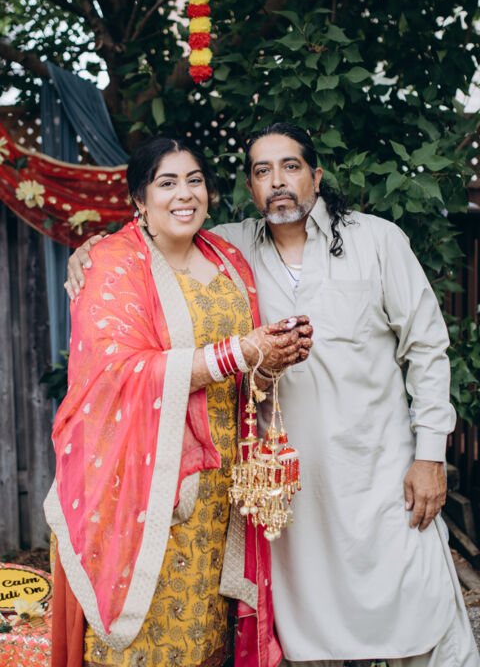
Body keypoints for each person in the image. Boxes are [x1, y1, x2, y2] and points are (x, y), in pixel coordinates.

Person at [66, 123, 480, 667]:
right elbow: (156, 237)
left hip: (382, 471)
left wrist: (429, 455)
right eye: (263, 171)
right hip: (289, 489)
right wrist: (91, 251)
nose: (278, 181)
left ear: (316, 176)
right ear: (250, 186)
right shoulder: (230, 247)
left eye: (290, 167)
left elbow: (426, 348)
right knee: (310, 631)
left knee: (420, 614)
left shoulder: (377, 240)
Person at [45, 135, 314, 667]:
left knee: (206, 637)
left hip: (222, 491)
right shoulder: (112, 263)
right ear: (140, 200)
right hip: (144, 491)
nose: (184, 194)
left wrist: (272, 357)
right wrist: (241, 351)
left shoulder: (228, 258)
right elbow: (116, 372)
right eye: (166, 183)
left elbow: (244, 369)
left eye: (194, 180)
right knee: (145, 641)